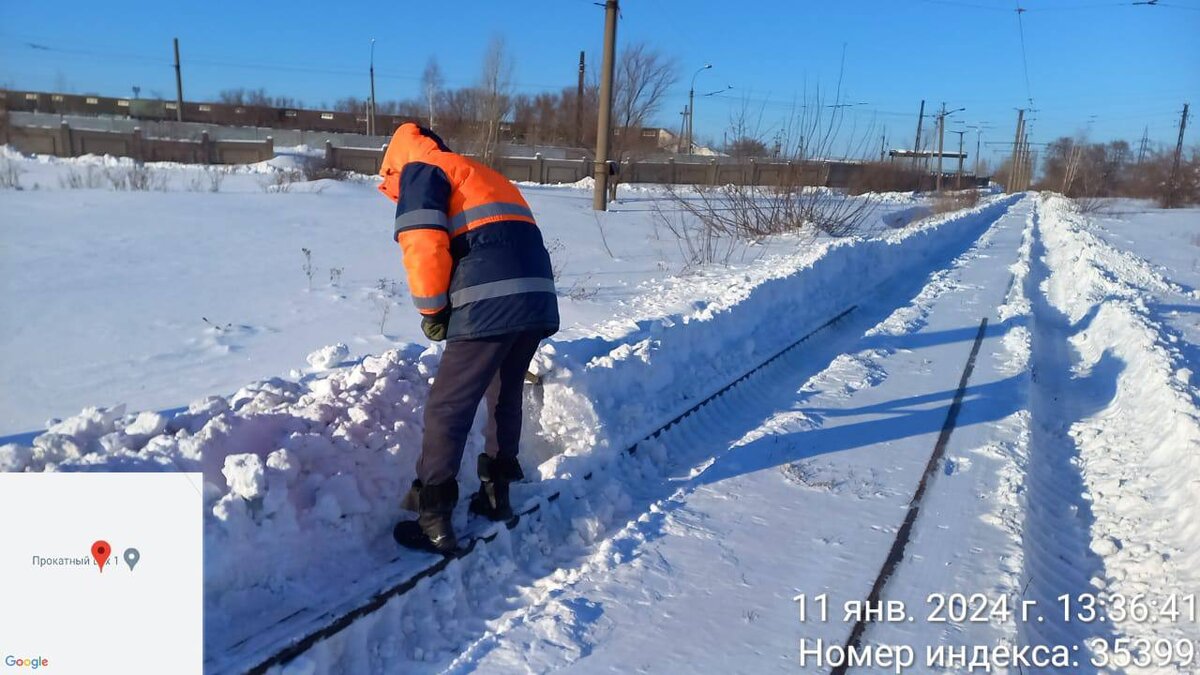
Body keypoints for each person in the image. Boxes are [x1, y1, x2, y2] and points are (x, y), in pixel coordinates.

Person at [378, 123, 559, 553]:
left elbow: (422, 245)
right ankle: (497, 497)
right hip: (536, 299)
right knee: (503, 393)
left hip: (489, 299)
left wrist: (433, 310)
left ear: (396, 161)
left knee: (449, 405)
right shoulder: (476, 173)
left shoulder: (423, 170)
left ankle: (433, 518)